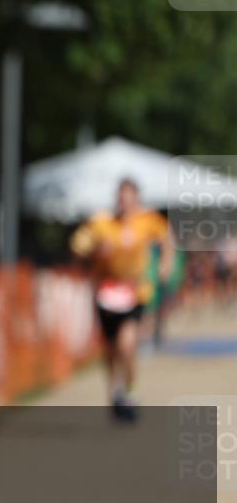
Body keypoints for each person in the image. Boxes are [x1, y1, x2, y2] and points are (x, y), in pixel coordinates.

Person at [69, 177, 175, 422]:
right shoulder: (102, 223)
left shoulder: (148, 220)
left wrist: (165, 265)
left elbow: (167, 238)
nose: (124, 203)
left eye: (128, 198)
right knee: (109, 349)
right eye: (120, 198)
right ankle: (113, 391)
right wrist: (97, 249)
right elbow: (78, 247)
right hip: (106, 292)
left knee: (127, 345)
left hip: (135, 293)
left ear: (136, 199)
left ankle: (129, 390)